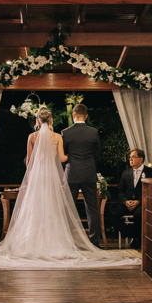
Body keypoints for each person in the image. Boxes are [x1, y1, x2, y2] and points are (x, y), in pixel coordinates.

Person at [0, 106, 137, 268]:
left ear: (38, 120)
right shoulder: (59, 136)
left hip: (40, 178)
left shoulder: (33, 136)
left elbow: (29, 162)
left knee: (37, 209)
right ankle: (77, 242)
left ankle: (35, 242)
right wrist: (77, 157)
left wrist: (33, 172)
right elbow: (64, 158)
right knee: (62, 208)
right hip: (60, 176)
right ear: (51, 120)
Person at [61, 104, 102, 247]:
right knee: (92, 208)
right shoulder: (94, 132)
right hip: (89, 173)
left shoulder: (65, 132)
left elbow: (63, 155)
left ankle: (67, 242)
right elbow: (98, 156)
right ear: (86, 116)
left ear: (73, 115)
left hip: (72, 173)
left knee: (68, 207)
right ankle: (95, 241)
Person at [107, 148, 152, 250]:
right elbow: (120, 191)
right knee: (112, 214)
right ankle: (133, 235)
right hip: (127, 203)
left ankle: (138, 240)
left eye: (133, 157)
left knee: (138, 215)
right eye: (130, 157)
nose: (130, 159)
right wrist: (125, 201)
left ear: (141, 159)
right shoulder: (125, 173)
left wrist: (139, 201)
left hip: (142, 203)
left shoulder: (151, 172)